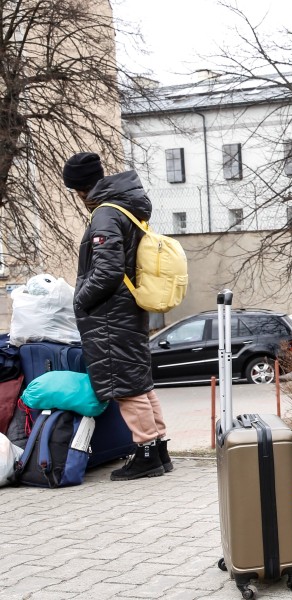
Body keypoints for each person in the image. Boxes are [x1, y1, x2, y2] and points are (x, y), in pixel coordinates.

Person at [62, 152, 173, 481]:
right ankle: (160, 449)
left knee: (126, 387)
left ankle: (146, 453)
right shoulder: (125, 207)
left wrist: (80, 301)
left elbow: (107, 271)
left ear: (81, 188)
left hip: (111, 315)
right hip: (128, 309)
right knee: (140, 382)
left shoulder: (106, 214)